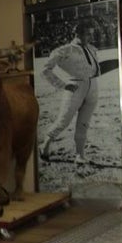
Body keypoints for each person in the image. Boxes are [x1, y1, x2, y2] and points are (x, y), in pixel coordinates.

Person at [39, 21, 102, 164]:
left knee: (84, 123)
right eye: (87, 34)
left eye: (92, 34)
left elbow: (94, 69)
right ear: (77, 34)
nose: (91, 37)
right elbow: (45, 70)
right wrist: (62, 84)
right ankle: (45, 145)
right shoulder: (65, 50)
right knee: (64, 121)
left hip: (93, 87)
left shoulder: (92, 48)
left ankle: (80, 155)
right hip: (75, 87)